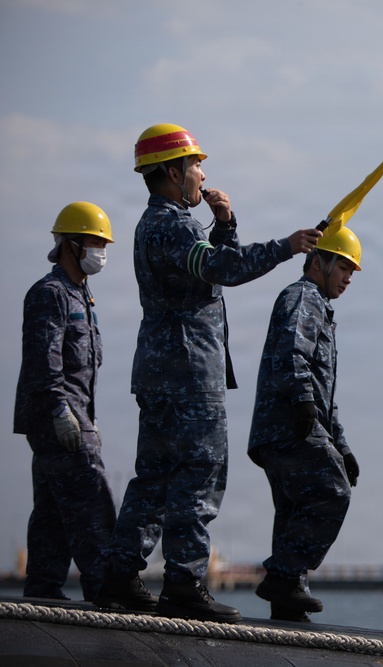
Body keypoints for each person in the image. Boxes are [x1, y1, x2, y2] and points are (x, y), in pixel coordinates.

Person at [93, 123, 323, 623]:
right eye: (195, 165)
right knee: (200, 474)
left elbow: (207, 265)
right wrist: (287, 246)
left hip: (159, 372)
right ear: (174, 173)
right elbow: (225, 270)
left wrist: (224, 225)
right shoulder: (174, 226)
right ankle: (184, 582)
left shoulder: (157, 224)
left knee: (153, 478)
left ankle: (120, 576)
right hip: (190, 373)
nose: (202, 174)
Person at [248, 226, 362, 623]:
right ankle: (282, 577)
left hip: (285, 426)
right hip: (289, 426)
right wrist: (301, 403)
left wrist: (342, 446)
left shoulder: (318, 306)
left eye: (352, 271)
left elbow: (323, 393)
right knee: (332, 492)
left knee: (294, 510)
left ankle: (287, 606)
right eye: (343, 267)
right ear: (318, 262)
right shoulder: (303, 298)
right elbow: (292, 353)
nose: (348, 278)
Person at [14, 202, 118, 603]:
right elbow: (44, 361)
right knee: (93, 508)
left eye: (102, 244)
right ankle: (105, 592)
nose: (100, 251)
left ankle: (42, 594)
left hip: (75, 418)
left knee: (53, 514)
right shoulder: (50, 294)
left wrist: (87, 418)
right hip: (58, 420)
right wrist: (61, 412)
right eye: (94, 242)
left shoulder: (81, 297)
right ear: (69, 245)